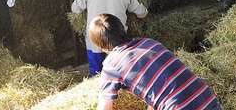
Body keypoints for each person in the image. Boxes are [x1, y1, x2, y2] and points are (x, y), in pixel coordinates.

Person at [91, 13, 221, 110]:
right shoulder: (149, 43)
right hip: (206, 98)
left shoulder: (111, 65)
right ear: (122, 29)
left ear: (101, 46)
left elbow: (104, 107)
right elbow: (158, 91)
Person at [71, 0, 148, 77]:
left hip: (96, 36)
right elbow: (142, 12)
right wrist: (143, 18)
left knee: (96, 73)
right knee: (118, 70)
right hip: (117, 38)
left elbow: (75, 9)